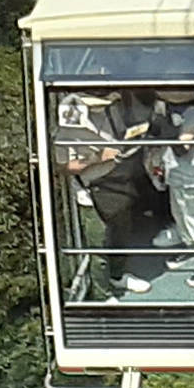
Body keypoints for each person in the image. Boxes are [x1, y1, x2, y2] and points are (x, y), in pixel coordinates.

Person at [47, 89, 150, 305]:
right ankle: (103, 295)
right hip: (93, 191)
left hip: (118, 181)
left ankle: (118, 276)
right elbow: (65, 166)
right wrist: (98, 157)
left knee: (122, 233)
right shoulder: (67, 129)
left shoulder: (108, 112)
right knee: (99, 244)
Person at [127, 94, 194, 293]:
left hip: (193, 170)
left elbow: (183, 147)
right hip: (174, 169)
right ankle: (190, 245)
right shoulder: (163, 107)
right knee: (179, 211)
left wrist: (165, 126)